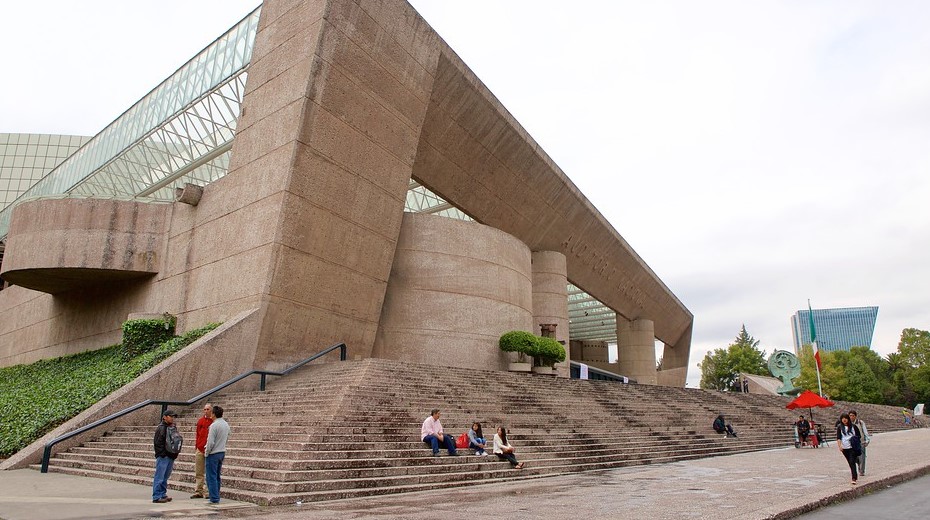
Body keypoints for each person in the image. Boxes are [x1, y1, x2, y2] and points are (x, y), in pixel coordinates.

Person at [152, 410, 181, 503]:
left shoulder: (172, 427)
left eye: (173, 416)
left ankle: (162, 494)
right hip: (163, 456)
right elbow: (157, 443)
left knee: (165, 477)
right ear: (164, 417)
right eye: (170, 416)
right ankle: (157, 496)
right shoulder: (161, 428)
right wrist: (162, 454)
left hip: (170, 455)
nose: (172, 418)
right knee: (159, 476)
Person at [204, 405, 230, 504]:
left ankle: (214, 497)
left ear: (213, 414)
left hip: (213, 453)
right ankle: (216, 494)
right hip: (221, 451)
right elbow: (228, 436)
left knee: (211, 476)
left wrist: (207, 452)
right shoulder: (225, 424)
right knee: (217, 475)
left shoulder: (214, 425)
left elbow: (210, 442)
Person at [190, 403, 213, 499]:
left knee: (209, 471)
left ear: (211, 410)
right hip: (200, 448)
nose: (206, 411)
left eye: (208, 409)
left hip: (209, 449)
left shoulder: (213, 422)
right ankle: (199, 490)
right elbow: (198, 434)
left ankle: (207, 491)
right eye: (205, 409)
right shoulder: (201, 421)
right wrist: (197, 446)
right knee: (199, 471)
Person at [836, 413, 862, 485]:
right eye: (843, 418)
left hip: (852, 447)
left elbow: (858, 435)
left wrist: (854, 439)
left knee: (851, 461)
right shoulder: (840, 427)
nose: (844, 420)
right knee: (850, 462)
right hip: (845, 447)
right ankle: (856, 460)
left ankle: (854, 478)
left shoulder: (853, 427)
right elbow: (838, 437)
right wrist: (839, 446)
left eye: (846, 418)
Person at [849, 410, 870, 476]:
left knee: (862, 457)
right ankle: (858, 465)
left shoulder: (860, 423)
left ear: (855, 416)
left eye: (852, 415)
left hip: (861, 442)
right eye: (850, 415)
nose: (851, 417)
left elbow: (865, 431)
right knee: (855, 458)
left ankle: (862, 471)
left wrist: (867, 440)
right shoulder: (848, 424)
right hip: (852, 443)